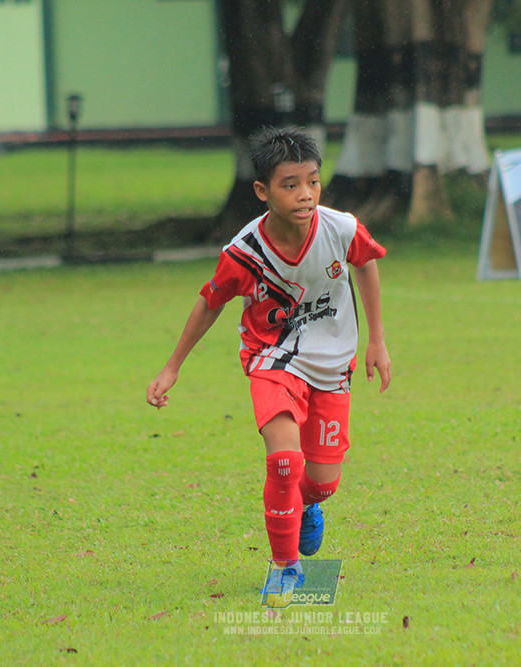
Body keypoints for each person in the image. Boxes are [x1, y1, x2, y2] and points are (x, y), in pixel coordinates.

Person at [146, 126, 391, 604]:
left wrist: (377, 340)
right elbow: (210, 302)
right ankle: (286, 568)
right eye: (290, 184)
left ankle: (308, 506)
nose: (305, 195)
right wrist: (172, 366)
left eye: (313, 182)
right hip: (271, 358)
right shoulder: (245, 252)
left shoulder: (340, 227)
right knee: (283, 462)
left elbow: (367, 263)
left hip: (333, 364)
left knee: (321, 483)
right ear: (263, 191)